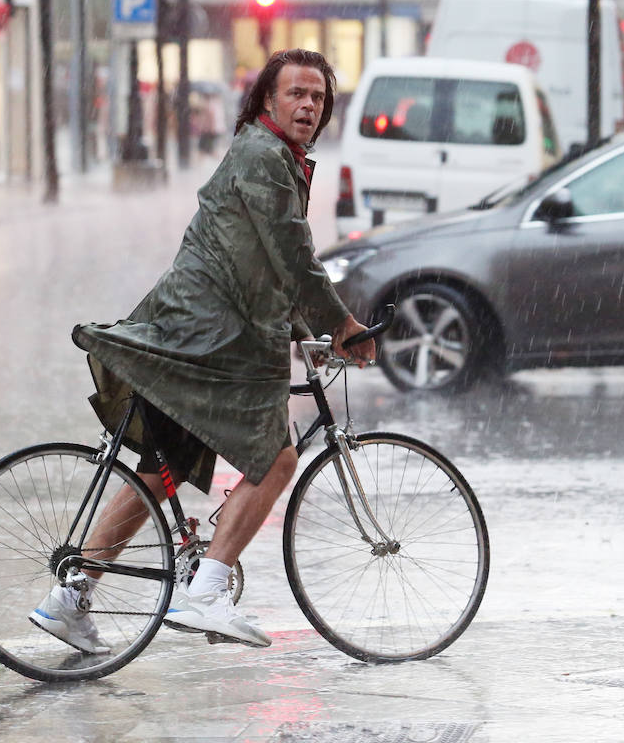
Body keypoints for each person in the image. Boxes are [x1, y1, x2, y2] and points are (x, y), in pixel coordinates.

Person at [29, 49, 375, 652]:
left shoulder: (271, 156)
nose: (308, 106)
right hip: (214, 339)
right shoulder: (264, 156)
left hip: (193, 332)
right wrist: (341, 326)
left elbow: (261, 264)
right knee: (276, 460)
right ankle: (205, 591)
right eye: (296, 93)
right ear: (268, 100)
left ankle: (69, 597)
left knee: (158, 478)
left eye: (318, 98)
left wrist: (306, 329)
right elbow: (292, 256)